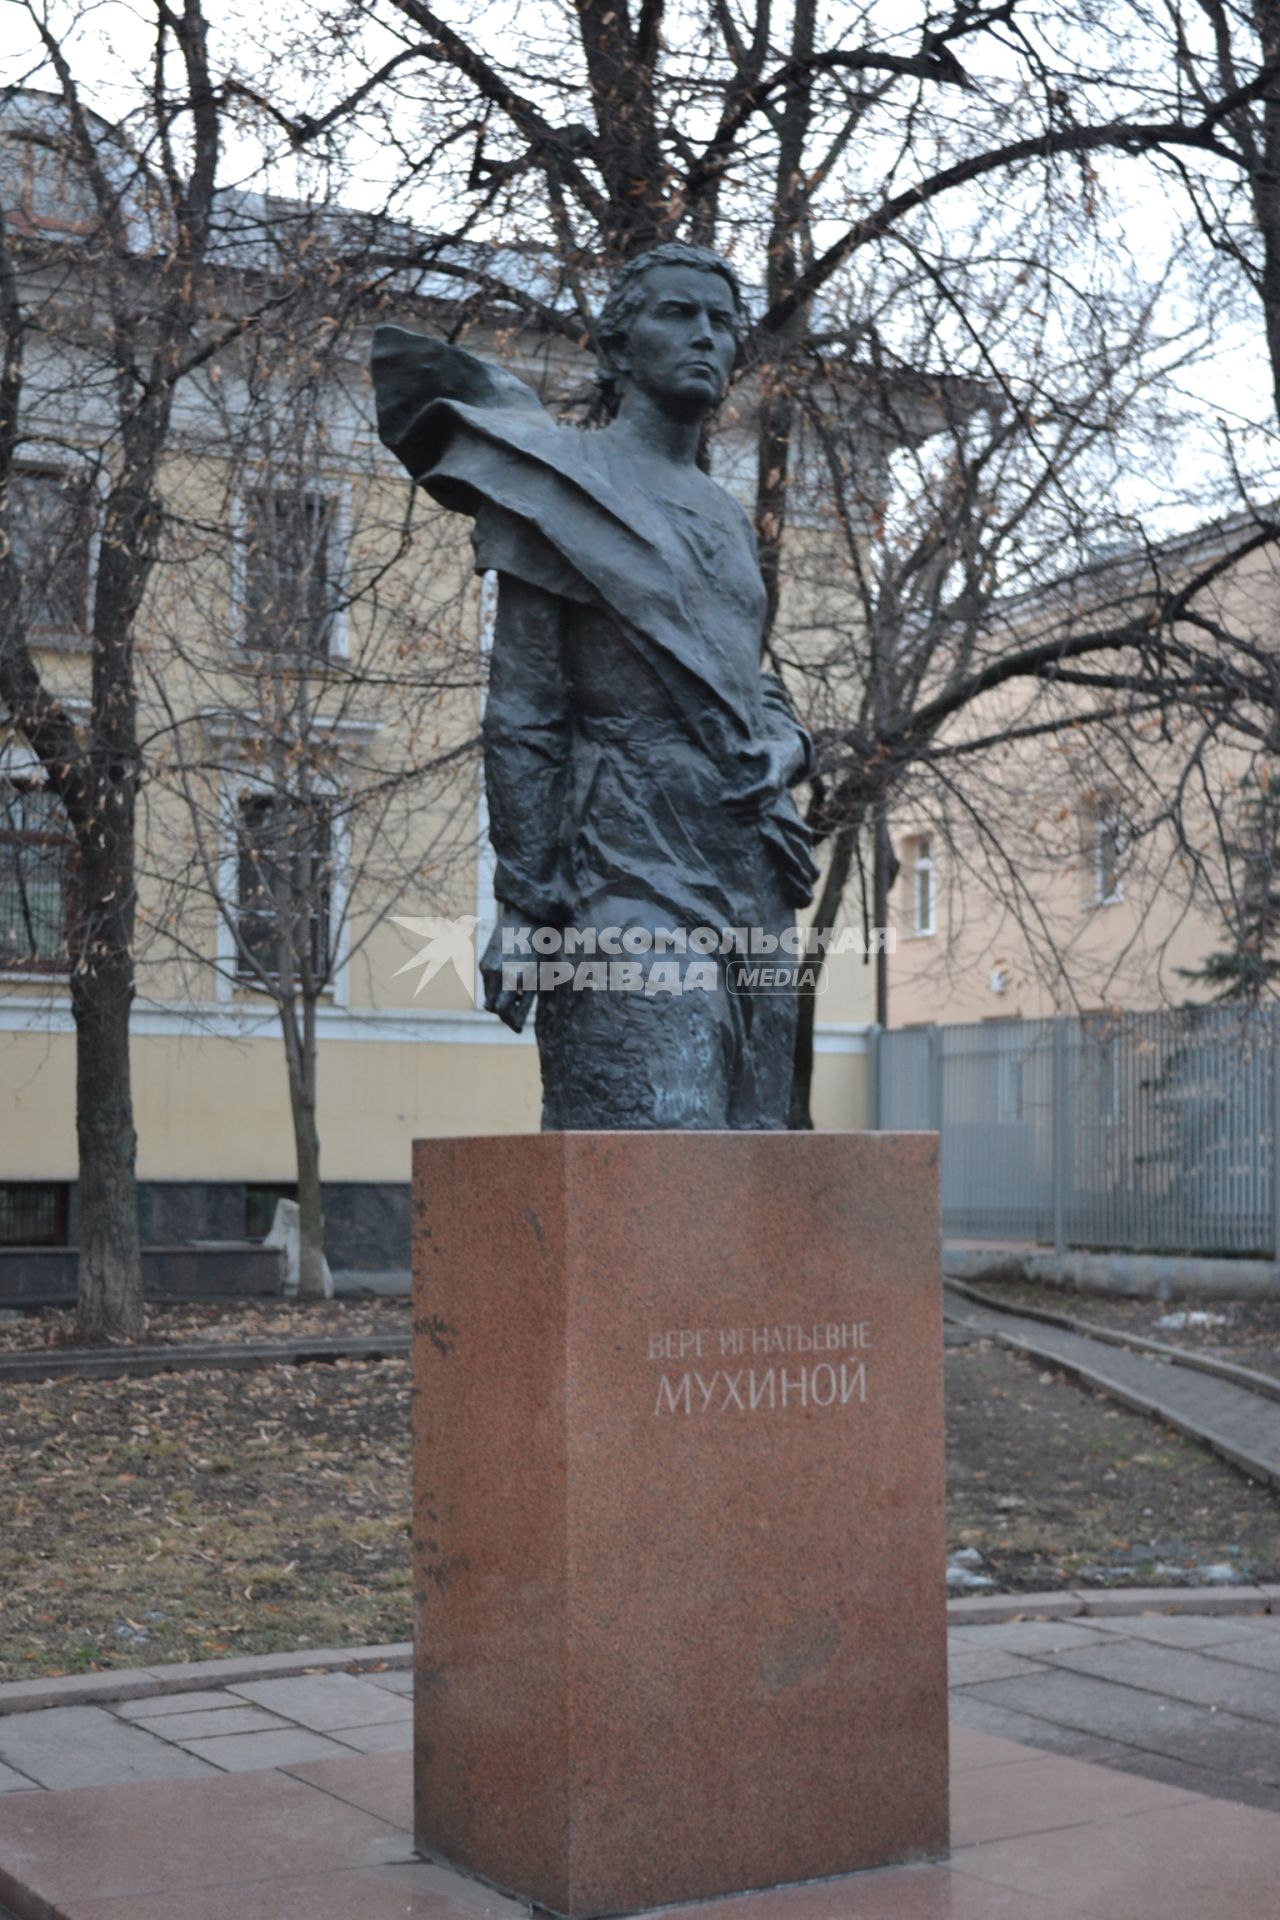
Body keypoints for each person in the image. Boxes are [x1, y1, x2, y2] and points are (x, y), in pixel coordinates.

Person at [371, 242, 816, 1128]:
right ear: (616, 348)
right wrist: (527, 907)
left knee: (758, 1145)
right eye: (678, 314)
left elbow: (748, 679)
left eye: (723, 323)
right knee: (658, 1132)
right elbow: (526, 712)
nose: (706, 337)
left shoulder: (727, 517)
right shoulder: (560, 489)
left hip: (749, 865)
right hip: (621, 857)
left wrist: (787, 743)